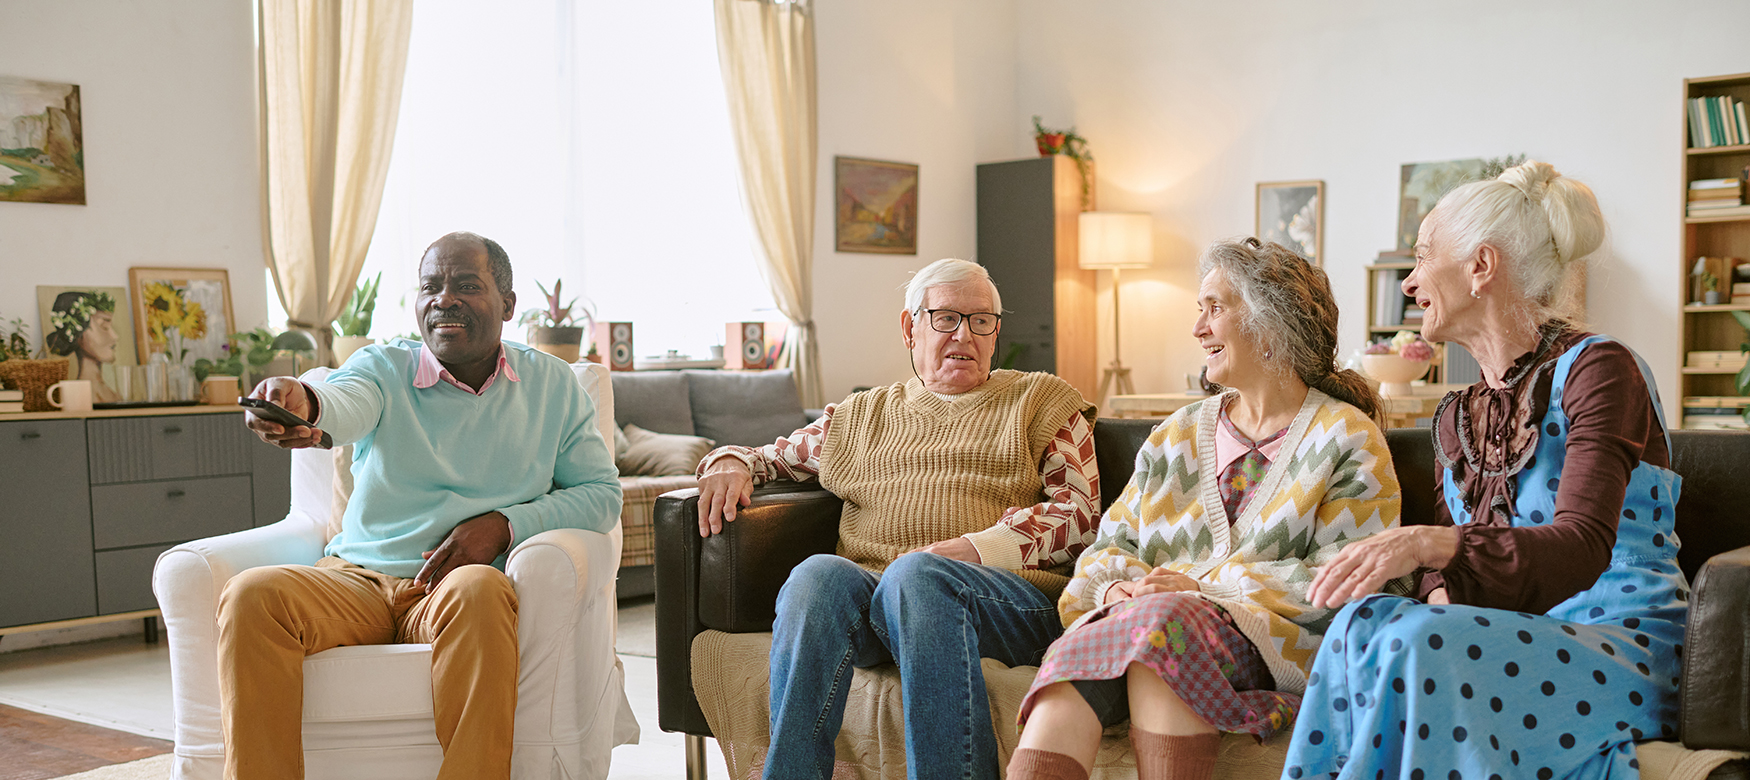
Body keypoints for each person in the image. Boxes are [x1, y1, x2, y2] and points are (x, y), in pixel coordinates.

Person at [1283, 161, 1688, 780]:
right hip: (1513, 636)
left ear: (1481, 266)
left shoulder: (1600, 369)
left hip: (1622, 638)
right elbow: (1450, 581)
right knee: (1363, 625)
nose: (1411, 282)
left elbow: (1582, 546)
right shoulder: (1457, 416)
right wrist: (1431, 585)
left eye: (1423, 258)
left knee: (1421, 639)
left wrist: (1426, 544)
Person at [223, 232, 622, 780]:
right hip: (356, 579)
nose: (444, 299)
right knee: (252, 595)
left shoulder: (552, 384)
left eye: (466, 285)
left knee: (482, 589)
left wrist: (505, 526)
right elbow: (343, 402)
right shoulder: (383, 367)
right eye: (430, 286)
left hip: (454, 589)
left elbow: (600, 496)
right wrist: (305, 402)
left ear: (507, 305)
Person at [1006, 239, 1404, 780]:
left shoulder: (1347, 437)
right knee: (1097, 647)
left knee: (1164, 620)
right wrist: (1116, 591)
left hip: (1273, 644)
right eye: (1201, 309)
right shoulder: (1175, 434)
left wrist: (1203, 592)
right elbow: (1109, 547)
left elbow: (1349, 576)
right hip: (1151, 623)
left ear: (1270, 323)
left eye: (1215, 308)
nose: (1198, 328)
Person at [694, 257, 1100, 780]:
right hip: (884, 601)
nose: (965, 335)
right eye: (946, 318)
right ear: (910, 328)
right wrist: (727, 460)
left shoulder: (1041, 401)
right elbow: (771, 457)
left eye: (982, 322)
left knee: (917, 576)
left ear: (996, 333)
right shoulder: (861, 417)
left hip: (1005, 603)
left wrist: (979, 548)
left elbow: (1081, 516)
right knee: (818, 575)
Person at [45, 290, 121, 403]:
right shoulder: (76, 399)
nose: (115, 336)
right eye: (104, 326)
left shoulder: (114, 396)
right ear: (78, 332)